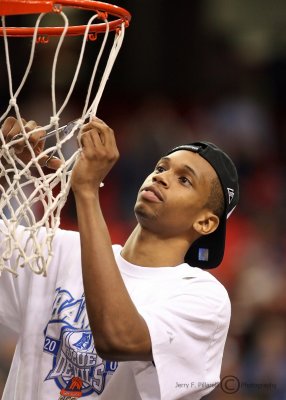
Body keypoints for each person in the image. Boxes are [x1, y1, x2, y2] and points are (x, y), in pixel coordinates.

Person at [0, 116, 239, 400]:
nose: (160, 177)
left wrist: (87, 192)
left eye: (184, 179)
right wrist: (6, 168)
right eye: (161, 167)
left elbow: (117, 338)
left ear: (205, 223)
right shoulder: (60, 249)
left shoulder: (203, 296)